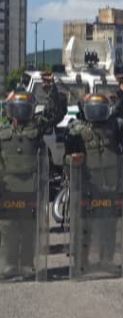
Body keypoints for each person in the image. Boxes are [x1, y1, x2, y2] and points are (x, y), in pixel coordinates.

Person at [64, 84, 123, 274]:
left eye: (100, 108)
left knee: (109, 226)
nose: (97, 112)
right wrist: (71, 160)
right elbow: (66, 156)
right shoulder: (76, 128)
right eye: (93, 108)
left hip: (111, 184)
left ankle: (107, 260)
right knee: (84, 226)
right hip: (87, 185)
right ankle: (82, 262)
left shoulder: (115, 124)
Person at [0, 85, 66, 280]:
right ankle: (9, 265)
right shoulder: (2, 131)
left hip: (31, 188)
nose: (20, 111)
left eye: (24, 106)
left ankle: (28, 265)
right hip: (8, 188)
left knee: (29, 229)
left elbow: (56, 113)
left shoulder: (36, 127)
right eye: (17, 106)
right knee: (8, 229)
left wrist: (51, 89)